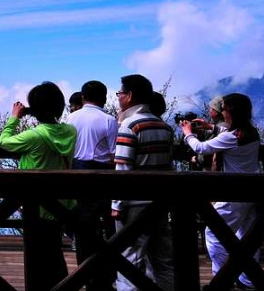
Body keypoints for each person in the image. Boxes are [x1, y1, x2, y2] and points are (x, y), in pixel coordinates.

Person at [0, 81, 77, 291]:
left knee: (37, 255)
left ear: (35, 109)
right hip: (61, 201)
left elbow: (4, 142)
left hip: (36, 205)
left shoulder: (35, 136)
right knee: (54, 250)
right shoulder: (70, 131)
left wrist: (14, 118)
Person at [181, 93, 262, 290]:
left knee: (214, 234)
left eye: (224, 109)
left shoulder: (231, 137)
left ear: (232, 112)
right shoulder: (251, 132)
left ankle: (222, 278)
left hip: (234, 193)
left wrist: (187, 133)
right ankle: (248, 280)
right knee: (247, 237)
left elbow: (201, 148)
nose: (222, 112)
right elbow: (227, 133)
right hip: (253, 189)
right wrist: (210, 127)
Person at [112, 74, 175, 291]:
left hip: (134, 205)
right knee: (163, 259)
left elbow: (123, 169)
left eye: (120, 93)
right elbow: (168, 166)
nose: (118, 97)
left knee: (129, 260)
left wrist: (117, 204)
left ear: (129, 96)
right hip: (160, 202)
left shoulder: (130, 126)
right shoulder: (164, 127)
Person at [66, 80, 118, 291]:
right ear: (104, 98)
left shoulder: (71, 117)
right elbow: (114, 154)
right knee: (109, 225)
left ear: (82, 97)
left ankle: (85, 274)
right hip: (103, 173)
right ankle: (108, 276)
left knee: (83, 227)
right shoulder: (109, 120)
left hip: (77, 171)